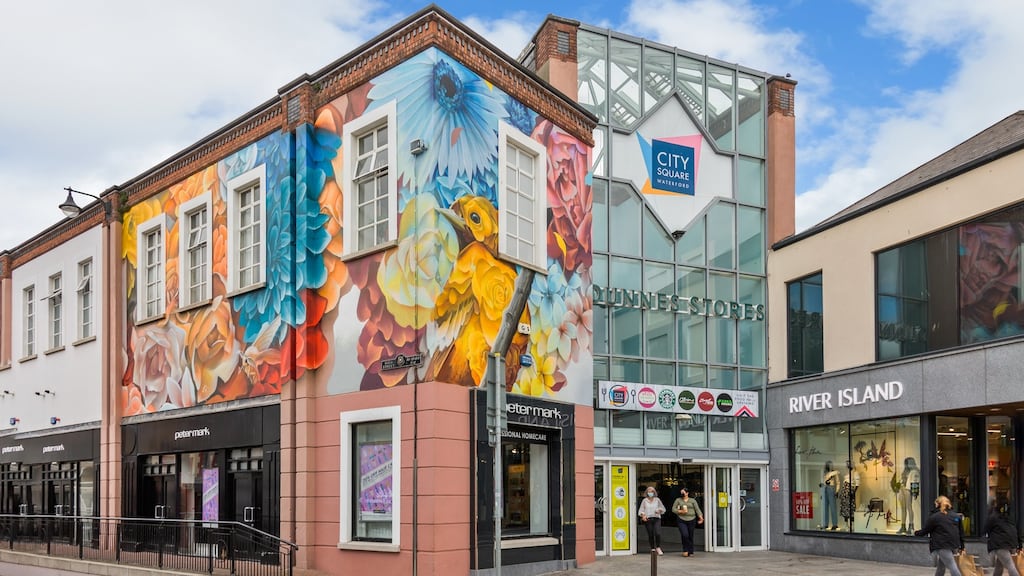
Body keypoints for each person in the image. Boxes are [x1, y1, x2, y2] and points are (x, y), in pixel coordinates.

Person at [915, 495, 965, 576]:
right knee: (941, 566)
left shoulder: (935, 517)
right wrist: (962, 546)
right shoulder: (956, 516)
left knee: (952, 565)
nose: (935, 506)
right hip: (954, 544)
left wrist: (916, 533)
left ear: (938, 504)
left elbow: (926, 529)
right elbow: (961, 532)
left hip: (942, 544)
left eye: (935, 504)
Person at [984, 497, 1021, 576]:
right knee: (999, 565)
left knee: (1010, 566)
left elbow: (986, 529)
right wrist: (1019, 544)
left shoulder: (994, 517)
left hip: (1000, 544)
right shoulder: (1010, 517)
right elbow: (1017, 530)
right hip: (1012, 543)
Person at [672, 487, 704, 557]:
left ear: (687, 493)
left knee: (690, 535)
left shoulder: (692, 501)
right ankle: (685, 549)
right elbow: (673, 509)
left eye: (683, 493)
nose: (682, 494)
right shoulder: (678, 500)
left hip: (692, 519)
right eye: (681, 493)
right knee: (684, 534)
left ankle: (690, 550)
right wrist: (680, 511)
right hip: (681, 519)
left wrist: (701, 518)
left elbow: (697, 509)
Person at [638, 485, 666, 556]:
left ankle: (658, 547)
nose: (650, 493)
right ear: (646, 493)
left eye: (652, 491)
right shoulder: (644, 500)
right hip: (648, 519)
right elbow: (641, 510)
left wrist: (659, 510)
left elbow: (663, 509)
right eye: (649, 491)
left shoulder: (657, 500)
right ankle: (652, 548)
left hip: (656, 518)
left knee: (657, 533)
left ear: (654, 492)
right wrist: (643, 515)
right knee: (650, 534)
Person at [900, 457, 921, 534]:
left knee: (909, 507)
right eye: (906, 463)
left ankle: (911, 525)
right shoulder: (906, 471)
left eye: (908, 463)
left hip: (908, 490)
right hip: (902, 489)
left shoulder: (914, 471)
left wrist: (915, 493)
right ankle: (903, 526)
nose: (907, 464)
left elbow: (915, 482)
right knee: (903, 508)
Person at [821, 461, 840, 530]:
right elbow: (823, 482)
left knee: (833, 507)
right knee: (825, 507)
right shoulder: (825, 473)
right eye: (829, 465)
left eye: (831, 465)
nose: (830, 466)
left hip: (831, 488)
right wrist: (822, 493)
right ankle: (825, 524)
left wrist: (837, 491)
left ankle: (835, 524)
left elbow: (838, 482)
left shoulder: (835, 472)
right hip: (825, 488)